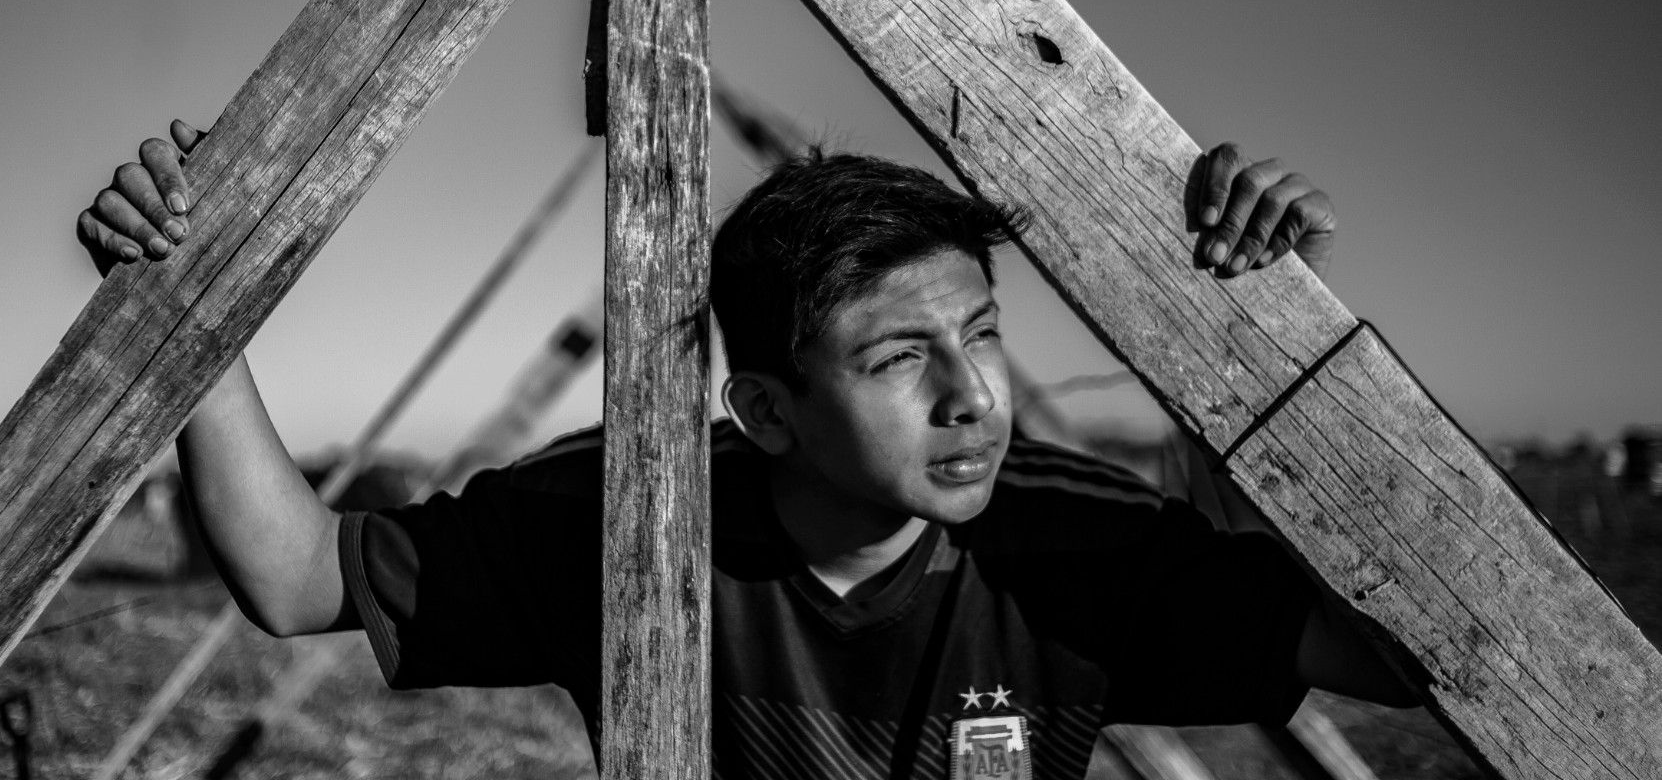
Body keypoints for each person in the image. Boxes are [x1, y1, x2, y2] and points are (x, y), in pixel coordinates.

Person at [78, 125, 1413, 779]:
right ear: (765, 411)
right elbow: (297, 574)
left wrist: (1258, 347)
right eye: (900, 359)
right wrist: (190, 306)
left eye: (982, 335)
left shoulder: (1071, 543)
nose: (971, 398)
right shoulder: (634, 518)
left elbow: (1395, 660)